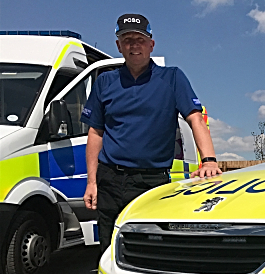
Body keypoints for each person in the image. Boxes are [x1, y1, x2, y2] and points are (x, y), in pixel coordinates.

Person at [81, 14, 222, 256]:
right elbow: (95, 132)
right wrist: (92, 182)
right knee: (109, 250)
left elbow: (195, 119)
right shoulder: (105, 81)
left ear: (151, 45)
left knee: (152, 250)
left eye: (140, 39)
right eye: (127, 40)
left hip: (152, 183)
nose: (134, 45)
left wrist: (208, 160)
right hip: (110, 181)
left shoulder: (172, 78)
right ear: (118, 46)